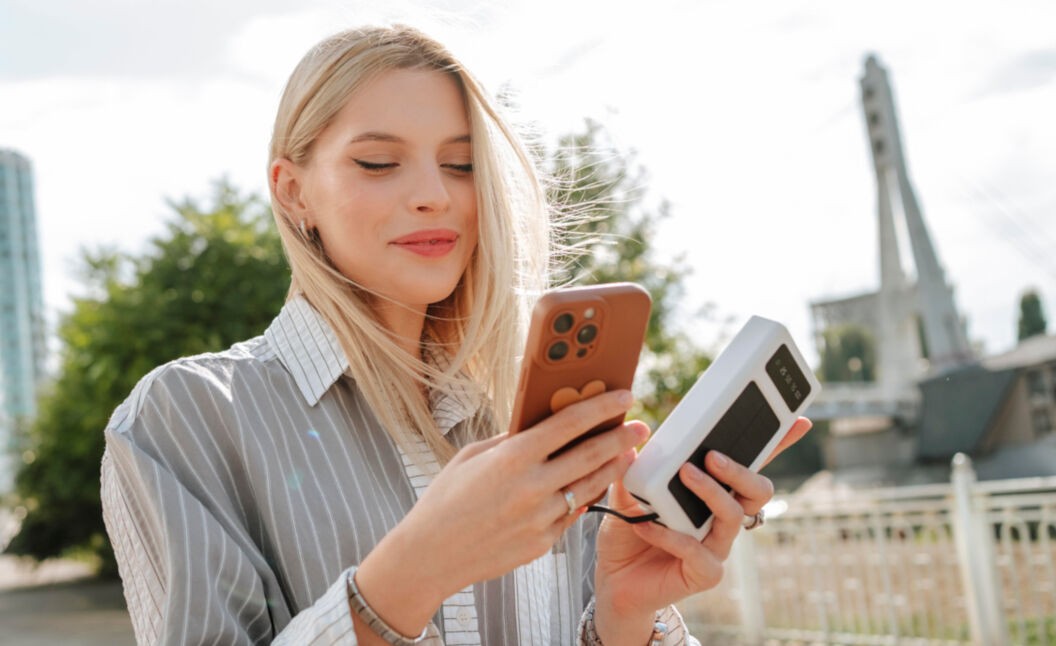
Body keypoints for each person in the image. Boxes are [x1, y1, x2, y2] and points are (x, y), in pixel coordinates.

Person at [100, 25, 812, 646]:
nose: (434, 194)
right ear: (293, 192)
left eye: (463, 164)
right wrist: (408, 577)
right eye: (378, 162)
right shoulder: (185, 417)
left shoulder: (534, 417)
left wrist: (625, 620)